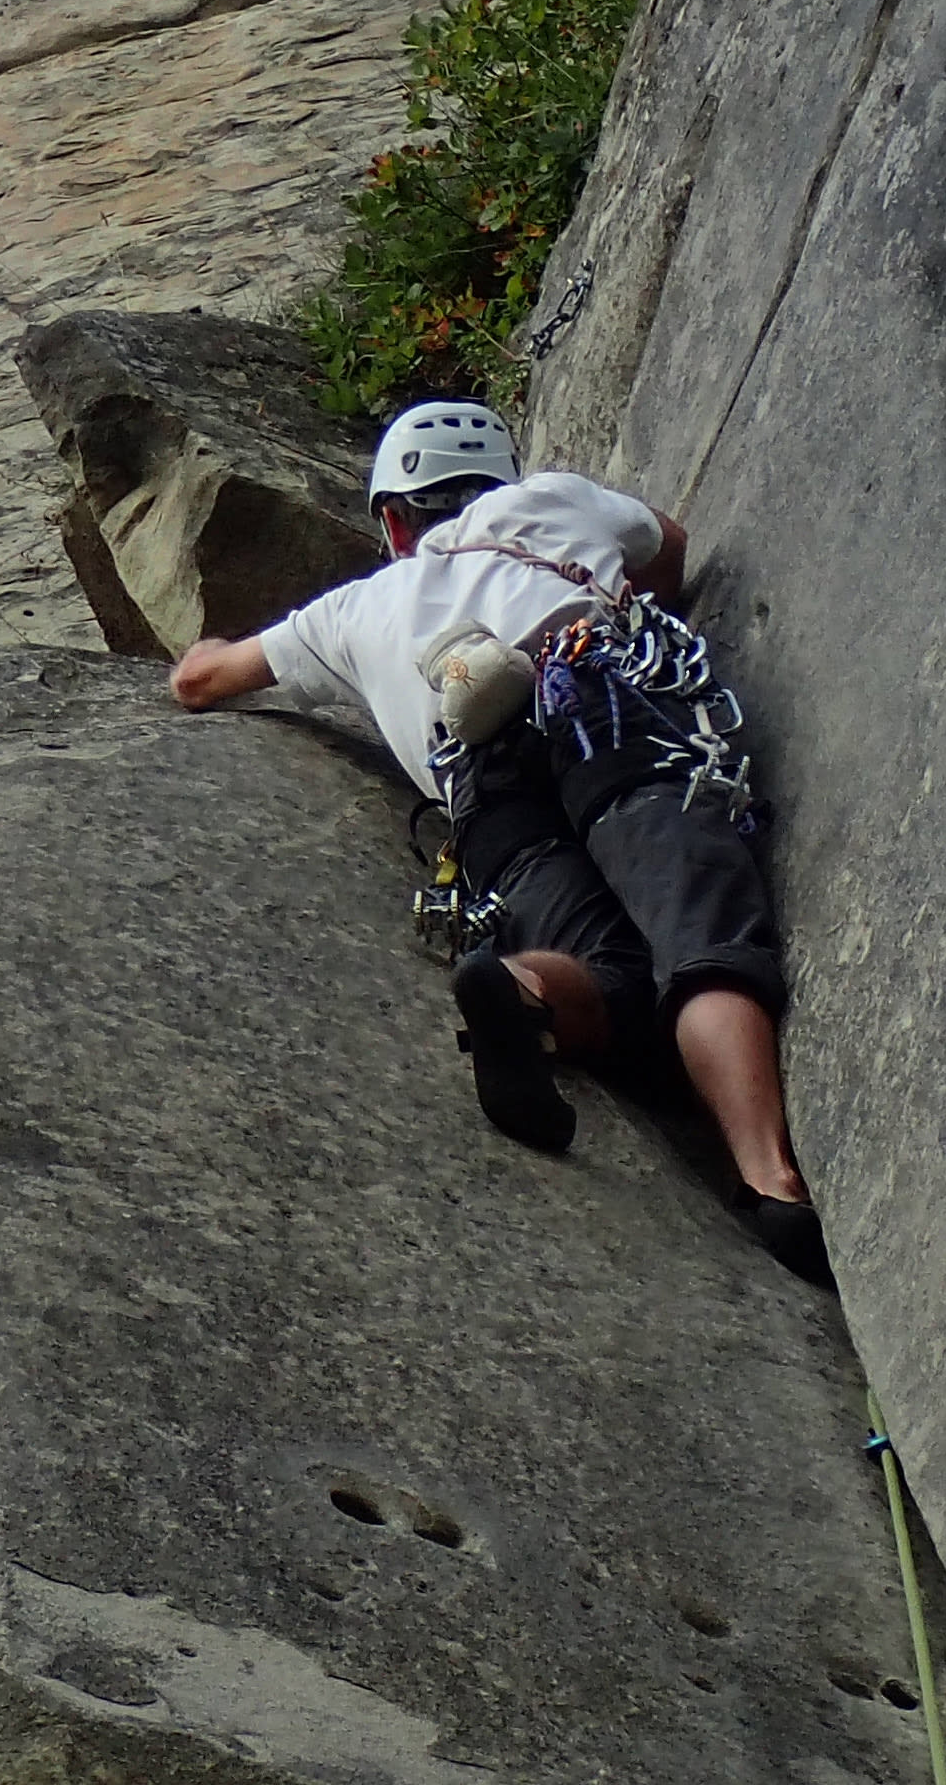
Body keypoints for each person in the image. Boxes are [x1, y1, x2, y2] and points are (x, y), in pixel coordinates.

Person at [168, 399, 827, 1284]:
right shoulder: (550, 501)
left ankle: (520, 988)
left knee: (616, 975)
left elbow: (205, 680)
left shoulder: (354, 608)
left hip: (482, 791)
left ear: (395, 520)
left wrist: (202, 646)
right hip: (602, 705)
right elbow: (668, 546)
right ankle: (767, 1177)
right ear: (499, 482)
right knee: (698, 937)